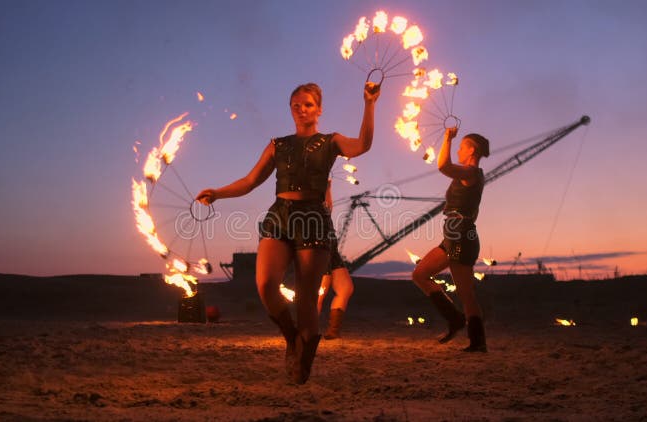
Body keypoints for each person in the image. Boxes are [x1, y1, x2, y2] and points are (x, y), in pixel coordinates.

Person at [196, 81, 381, 383]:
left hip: (313, 218)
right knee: (266, 284)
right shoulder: (277, 144)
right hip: (280, 216)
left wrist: (369, 104)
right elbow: (250, 181)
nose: (301, 109)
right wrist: (217, 192)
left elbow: (363, 145)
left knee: (307, 300)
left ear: (318, 110)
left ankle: (304, 356)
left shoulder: (331, 141)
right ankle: (292, 337)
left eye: (307, 104)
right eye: (296, 105)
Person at [411, 127, 490, 352]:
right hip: (453, 236)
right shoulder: (468, 173)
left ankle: (478, 341)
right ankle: (455, 319)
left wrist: (446, 137)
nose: (458, 148)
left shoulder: (471, 173)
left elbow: (443, 166)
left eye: (461, 145)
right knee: (420, 274)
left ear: (472, 150)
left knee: (465, 292)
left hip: (461, 238)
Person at [317, 180, 354, 339]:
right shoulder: (309, 210)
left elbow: (328, 207)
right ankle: (306, 330)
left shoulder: (322, 208)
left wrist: (328, 187)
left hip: (331, 251)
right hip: (320, 250)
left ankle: (333, 331)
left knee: (345, 288)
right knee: (319, 295)